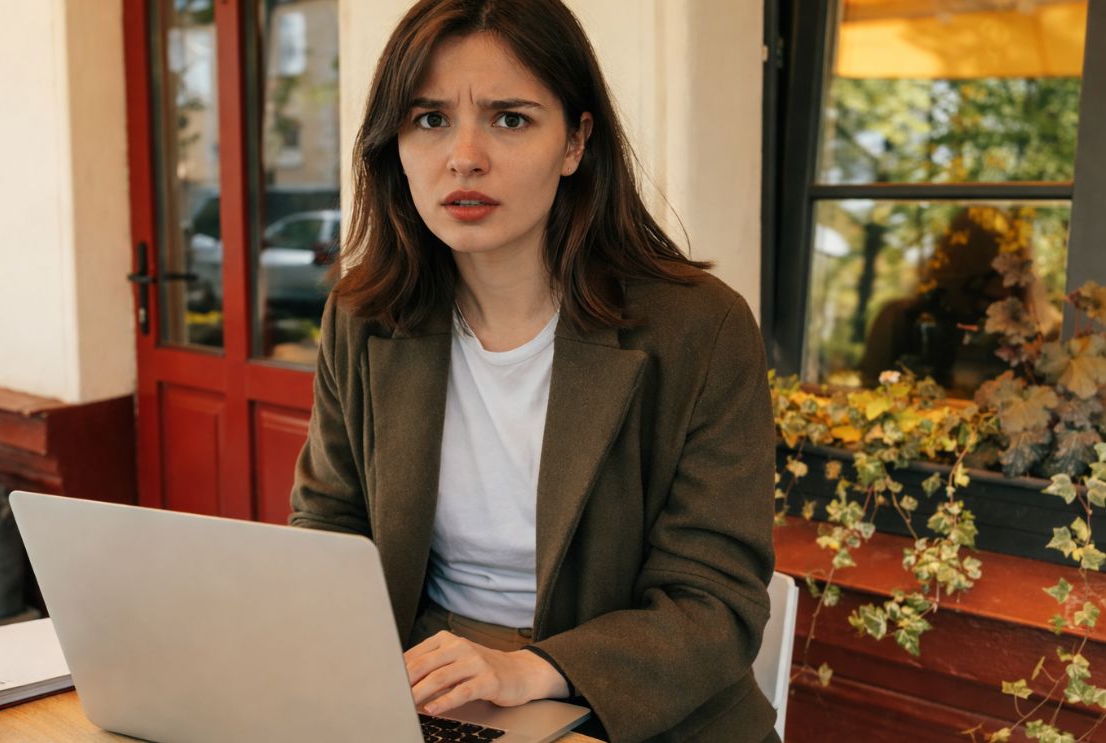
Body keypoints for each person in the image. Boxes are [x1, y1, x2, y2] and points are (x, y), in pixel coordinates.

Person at [289, 1, 777, 740]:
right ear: (393, 142)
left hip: (635, 708)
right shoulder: (363, 317)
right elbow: (329, 527)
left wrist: (531, 668)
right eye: (429, 119)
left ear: (576, 142)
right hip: (426, 690)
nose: (464, 156)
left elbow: (714, 598)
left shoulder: (699, 327)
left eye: (509, 118)